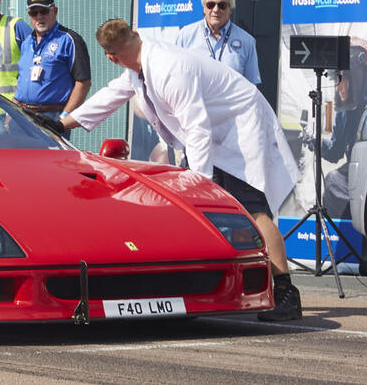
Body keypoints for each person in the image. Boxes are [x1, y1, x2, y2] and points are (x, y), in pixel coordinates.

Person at [60, 19, 302, 321]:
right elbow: (110, 96)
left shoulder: (167, 67)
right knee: (191, 208)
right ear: (134, 35)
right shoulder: (139, 67)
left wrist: (200, 185)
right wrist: (61, 123)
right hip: (216, 136)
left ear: (110, 56)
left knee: (252, 210)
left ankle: (286, 293)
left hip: (240, 131)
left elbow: (197, 128)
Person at [13, 0, 91, 137]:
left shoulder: (70, 40)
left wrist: (64, 117)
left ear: (54, 11)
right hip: (22, 117)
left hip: (51, 117)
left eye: (44, 11)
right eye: (33, 13)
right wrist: (12, 112)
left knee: (51, 160)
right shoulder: (26, 43)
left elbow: (83, 83)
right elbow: (23, 79)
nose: (39, 17)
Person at [175, 0, 261, 83]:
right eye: (210, 5)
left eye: (222, 5)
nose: (216, 10)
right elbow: (176, 78)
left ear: (230, 10)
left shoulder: (247, 42)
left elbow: (252, 88)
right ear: (204, 8)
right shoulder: (185, 36)